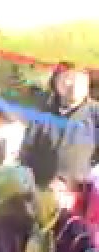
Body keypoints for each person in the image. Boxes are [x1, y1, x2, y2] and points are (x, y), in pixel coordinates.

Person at [19, 63, 99, 191]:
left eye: (79, 82)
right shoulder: (43, 111)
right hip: (42, 190)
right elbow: (27, 150)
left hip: (79, 194)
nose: (73, 86)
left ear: (87, 85)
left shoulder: (94, 113)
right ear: (57, 83)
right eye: (68, 79)